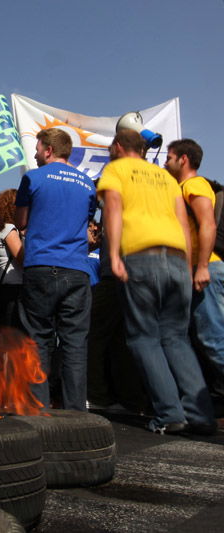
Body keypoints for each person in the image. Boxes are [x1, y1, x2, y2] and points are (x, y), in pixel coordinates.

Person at [97, 129, 216, 435]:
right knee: (176, 337)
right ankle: (201, 416)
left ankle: (169, 414)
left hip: (140, 256)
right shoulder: (166, 177)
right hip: (176, 259)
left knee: (144, 337)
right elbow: (181, 222)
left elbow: (113, 208)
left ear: (120, 147)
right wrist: (188, 266)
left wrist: (113, 255)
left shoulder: (116, 169)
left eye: (111, 146)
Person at [15, 127, 96, 412]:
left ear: (48, 150)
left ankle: (40, 409)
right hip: (76, 269)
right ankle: (76, 413)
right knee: (75, 343)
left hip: (40, 265)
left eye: (37, 149)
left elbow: (21, 221)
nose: (36, 155)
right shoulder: (88, 183)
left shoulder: (32, 177)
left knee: (38, 339)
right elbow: (86, 224)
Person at [164, 139, 224, 385]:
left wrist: (200, 267)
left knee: (214, 340)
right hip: (201, 268)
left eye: (169, 158)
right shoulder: (183, 187)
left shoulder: (194, 184)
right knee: (203, 340)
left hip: (206, 268)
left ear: (183, 159)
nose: (166, 162)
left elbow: (208, 223)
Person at [0, 189, 24, 328]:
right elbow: (21, 257)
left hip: (5, 287)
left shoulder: (2, 228)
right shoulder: (9, 228)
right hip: (13, 288)